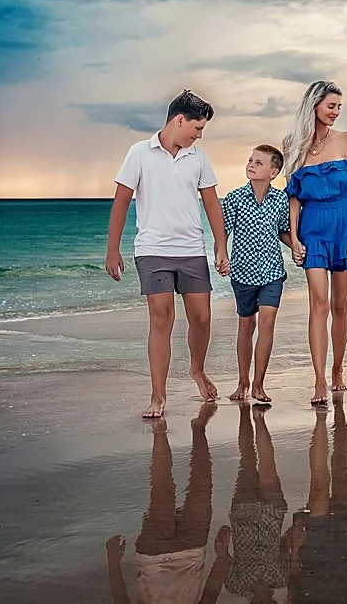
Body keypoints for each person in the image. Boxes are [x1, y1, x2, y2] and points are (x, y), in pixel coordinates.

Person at [106, 90, 230, 415]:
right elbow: (121, 201)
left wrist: (220, 244)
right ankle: (158, 395)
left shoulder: (198, 157)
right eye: (197, 128)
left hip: (190, 249)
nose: (199, 135)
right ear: (180, 120)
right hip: (153, 249)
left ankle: (197, 369)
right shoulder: (139, 153)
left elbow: (211, 201)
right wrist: (112, 249)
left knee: (202, 318)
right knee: (162, 316)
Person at [282, 80, 347, 406]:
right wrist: (294, 240)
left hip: (345, 223)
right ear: (314, 105)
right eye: (331, 106)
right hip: (313, 227)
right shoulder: (293, 144)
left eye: (339, 108)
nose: (336, 112)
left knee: (341, 305)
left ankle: (337, 370)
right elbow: (293, 197)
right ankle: (318, 379)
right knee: (318, 302)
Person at [105, 404, 229, 604]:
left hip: (171, 555)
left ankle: (165, 432)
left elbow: (209, 596)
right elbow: (209, 597)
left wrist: (222, 557)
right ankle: (189, 431)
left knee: (186, 487)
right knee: (174, 488)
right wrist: (222, 556)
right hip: (172, 555)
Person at [284, 402, 347, 602]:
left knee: (319, 488)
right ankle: (339, 413)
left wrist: (296, 548)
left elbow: (293, 583)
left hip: (312, 554)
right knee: (342, 469)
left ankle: (320, 420)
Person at [221, 144, 293, 405]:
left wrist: (296, 245)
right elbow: (223, 232)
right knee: (245, 325)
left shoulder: (280, 200)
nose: (251, 164)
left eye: (258, 162)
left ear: (273, 172)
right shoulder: (234, 198)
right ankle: (243, 382)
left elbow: (283, 231)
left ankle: (259, 385)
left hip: (272, 271)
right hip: (242, 272)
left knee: (268, 323)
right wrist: (221, 255)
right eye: (250, 160)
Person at [217, 403, 289, 603]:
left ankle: (243, 415)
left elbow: (224, 559)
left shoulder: (236, 585)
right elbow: (286, 547)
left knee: (247, 460)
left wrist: (222, 544)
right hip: (273, 515)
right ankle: (258, 419)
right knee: (267, 462)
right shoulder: (281, 578)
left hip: (243, 515)